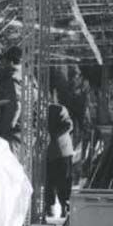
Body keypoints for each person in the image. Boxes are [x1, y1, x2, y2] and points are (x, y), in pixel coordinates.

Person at [46, 88, 74, 218]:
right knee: (51, 181)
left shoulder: (58, 109)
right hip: (53, 152)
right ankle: (53, 207)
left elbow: (68, 125)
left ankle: (64, 207)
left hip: (61, 151)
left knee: (61, 181)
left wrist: (52, 136)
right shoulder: (42, 109)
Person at [0, 45, 22, 155]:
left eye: (3, 61)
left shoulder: (12, 79)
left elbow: (15, 106)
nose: (1, 64)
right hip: (17, 132)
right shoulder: (20, 77)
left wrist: (4, 132)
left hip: (10, 134)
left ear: (11, 62)